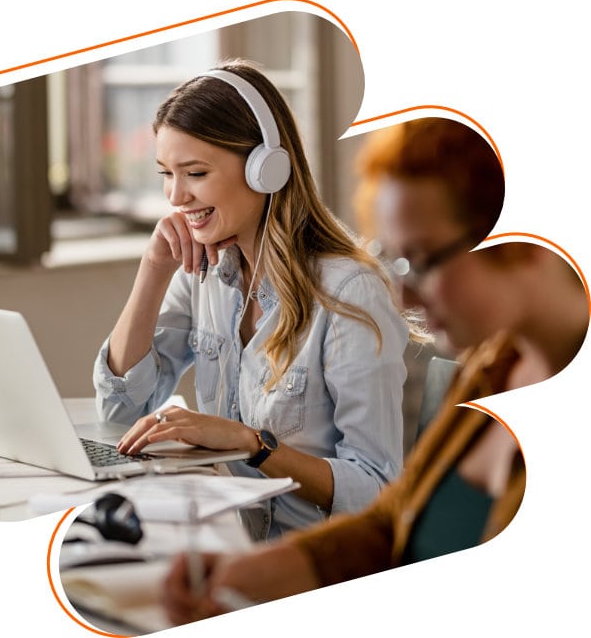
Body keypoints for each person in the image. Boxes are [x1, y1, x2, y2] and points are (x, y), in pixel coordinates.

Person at [160, 117, 589, 623]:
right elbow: (394, 522)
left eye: (424, 259)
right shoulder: (493, 367)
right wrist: (247, 573)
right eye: (397, 260)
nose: (403, 295)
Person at [93, 59, 421, 540]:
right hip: (225, 541)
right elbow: (121, 409)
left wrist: (253, 445)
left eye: (196, 173)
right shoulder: (203, 274)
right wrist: (154, 269)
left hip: (308, 559)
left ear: (266, 169)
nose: (176, 196)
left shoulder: (349, 294)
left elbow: (376, 488)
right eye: (167, 173)